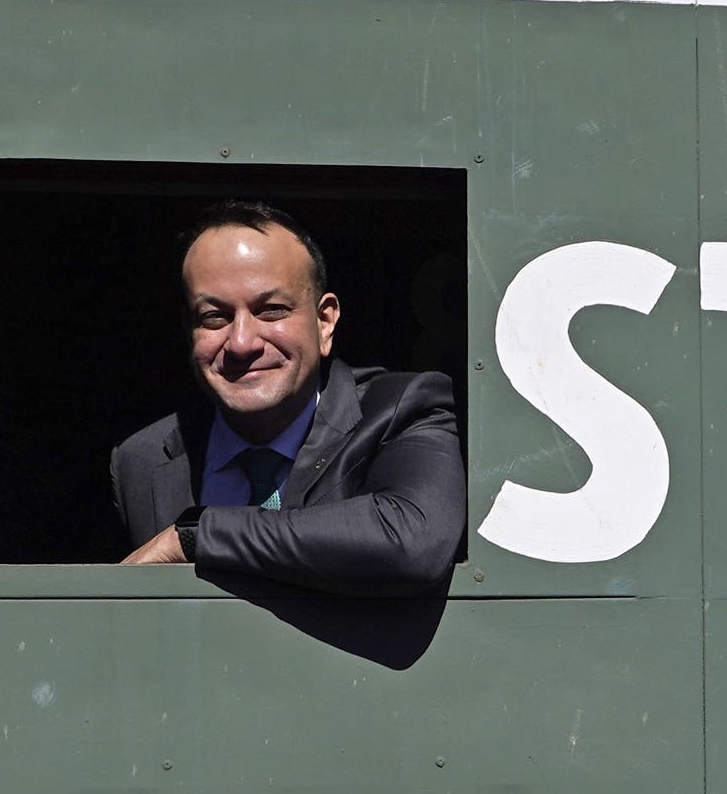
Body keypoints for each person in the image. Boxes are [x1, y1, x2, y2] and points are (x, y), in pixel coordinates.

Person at [111, 202, 464, 595]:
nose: (242, 342)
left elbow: (411, 538)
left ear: (324, 321)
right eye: (214, 317)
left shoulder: (402, 411)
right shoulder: (143, 462)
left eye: (271, 311)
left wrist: (192, 538)